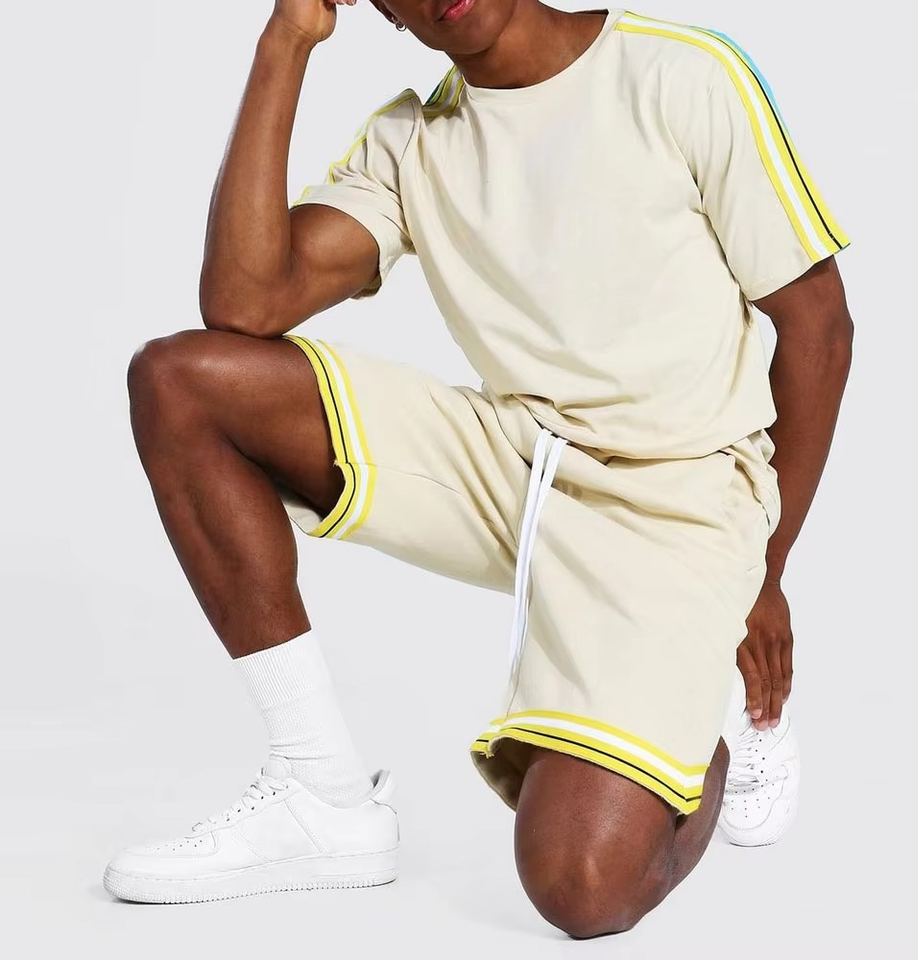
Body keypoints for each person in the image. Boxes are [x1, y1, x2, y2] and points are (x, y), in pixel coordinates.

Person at [104, 0, 854, 938]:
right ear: (382, 12)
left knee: (581, 888)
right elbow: (243, 302)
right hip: (517, 463)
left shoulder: (681, 74)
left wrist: (762, 571)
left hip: (681, 499)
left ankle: (698, 726)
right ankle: (320, 792)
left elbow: (819, 328)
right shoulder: (412, 143)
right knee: (182, 383)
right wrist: (285, 38)